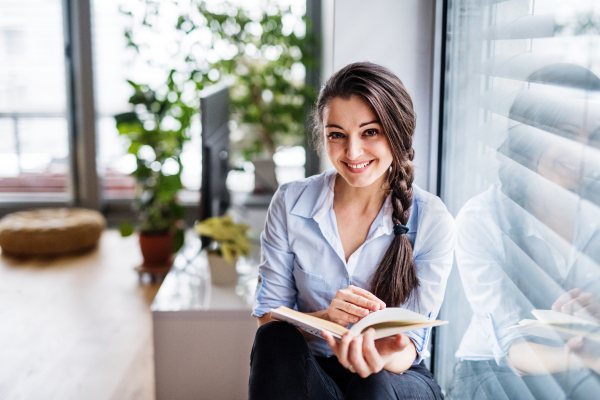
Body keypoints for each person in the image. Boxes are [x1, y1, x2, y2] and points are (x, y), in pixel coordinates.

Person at [248, 62, 455, 399]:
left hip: (395, 374)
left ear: (398, 131)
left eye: (369, 131)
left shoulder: (432, 220)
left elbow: (411, 348)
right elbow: (268, 317)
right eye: (337, 135)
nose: (353, 151)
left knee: (371, 384)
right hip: (312, 368)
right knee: (274, 338)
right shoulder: (290, 202)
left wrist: (383, 352)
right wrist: (326, 317)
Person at [447, 64, 600, 399]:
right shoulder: (483, 218)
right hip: (495, 374)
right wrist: (584, 356)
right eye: (566, 133)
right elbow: (514, 353)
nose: (581, 151)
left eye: (593, 138)